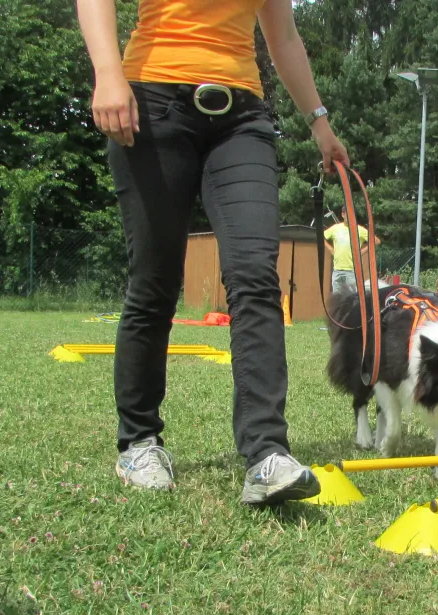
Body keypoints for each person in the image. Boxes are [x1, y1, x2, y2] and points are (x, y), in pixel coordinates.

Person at [76, 0, 349, 505]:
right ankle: (139, 441)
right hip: (151, 104)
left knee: (255, 276)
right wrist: (108, 74)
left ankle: (267, 453)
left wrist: (318, 122)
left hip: (241, 118)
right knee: (155, 282)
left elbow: (283, 37)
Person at [324, 205, 382, 292]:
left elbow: (376, 241)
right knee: (337, 299)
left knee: (352, 298)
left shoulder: (359, 230)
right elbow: (321, 237)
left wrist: (361, 252)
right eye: (348, 214)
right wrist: (330, 249)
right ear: (343, 215)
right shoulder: (336, 228)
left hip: (351, 271)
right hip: (337, 271)